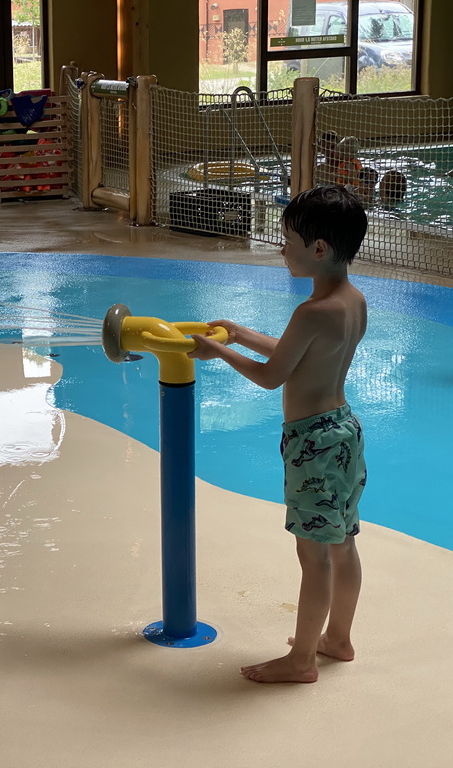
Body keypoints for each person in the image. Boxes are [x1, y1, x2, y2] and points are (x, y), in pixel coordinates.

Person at [189, 185, 368, 684]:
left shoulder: (311, 311)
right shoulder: (351, 301)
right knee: (343, 541)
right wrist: (241, 334)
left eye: (287, 239)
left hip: (313, 441)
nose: (279, 247)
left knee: (312, 554)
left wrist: (217, 352)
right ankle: (338, 638)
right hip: (345, 431)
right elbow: (301, 353)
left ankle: (302, 660)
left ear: (318, 249)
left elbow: (274, 376)